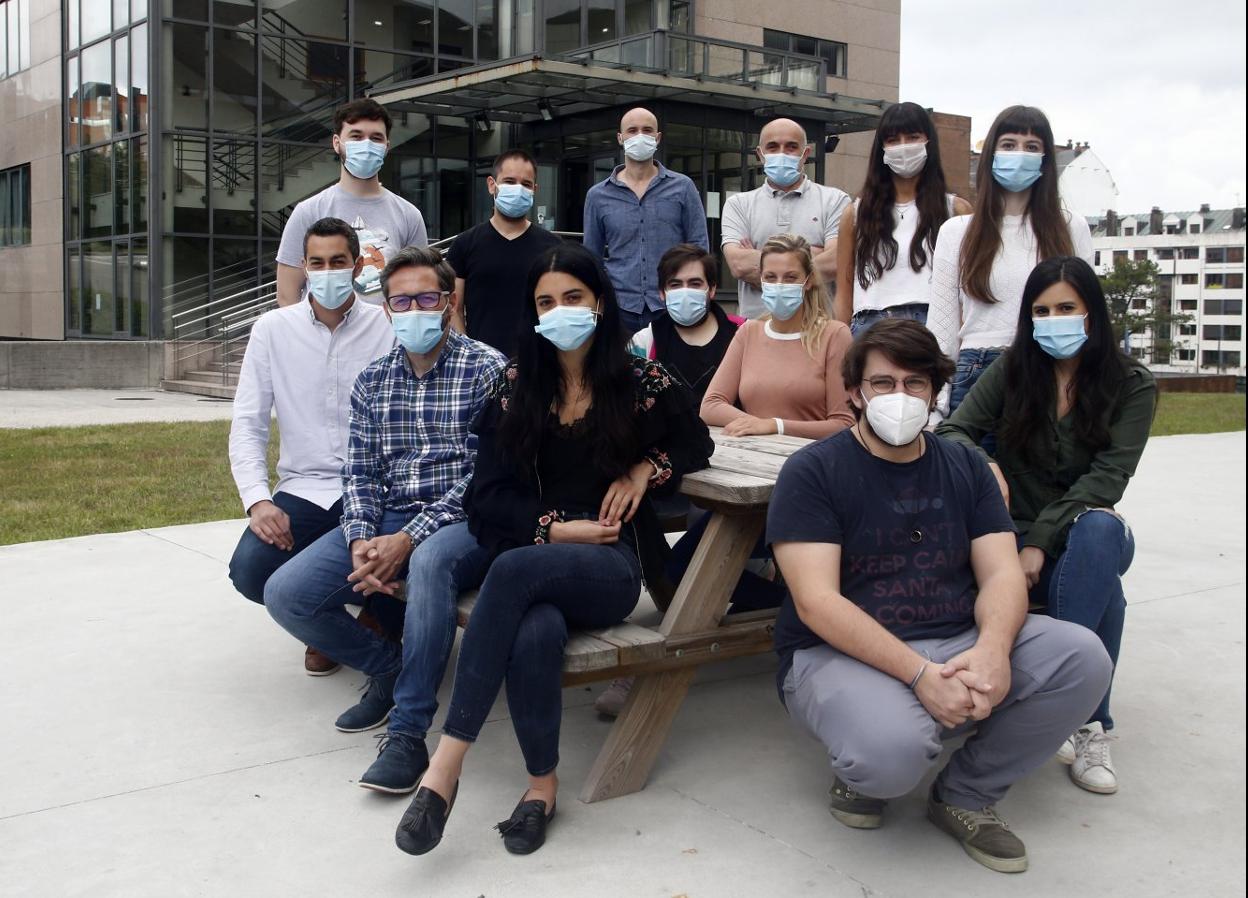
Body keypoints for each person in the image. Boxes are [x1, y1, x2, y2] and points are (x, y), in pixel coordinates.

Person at [393, 243, 712, 857]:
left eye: (572, 298)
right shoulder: (517, 387)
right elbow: (484, 497)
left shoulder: (641, 379)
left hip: (611, 567)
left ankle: (444, 769)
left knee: (511, 570)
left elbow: (697, 442)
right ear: (532, 313)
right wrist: (550, 530)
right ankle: (542, 787)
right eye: (546, 302)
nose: (560, 310)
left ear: (598, 301)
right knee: (534, 629)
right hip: (541, 563)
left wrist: (647, 468)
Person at [769, 318, 1112, 874]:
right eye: (883, 384)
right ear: (855, 391)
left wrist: (995, 649)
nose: (899, 397)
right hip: (836, 652)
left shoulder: (964, 464)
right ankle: (864, 771)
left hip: (958, 633)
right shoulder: (814, 471)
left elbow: (1002, 573)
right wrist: (920, 676)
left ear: (936, 390)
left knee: (1082, 658)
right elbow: (817, 603)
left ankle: (967, 793)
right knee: (889, 756)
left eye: (915, 384)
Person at [263, 247, 506, 780]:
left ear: (447, 302)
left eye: (426, 297)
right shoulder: (373, 381)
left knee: (428, 566)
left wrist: (409, 539)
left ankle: (409, 730)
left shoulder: (488, 369)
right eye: (402, 300)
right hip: (389, 516)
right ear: (388, 308)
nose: (414, 308)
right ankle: (389, 667)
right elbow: (361, 473)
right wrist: (360, 538)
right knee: (286, 594)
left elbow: (487, 474)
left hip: (463, 521)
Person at [938, 257, 1155, 796]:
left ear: (1091, 314)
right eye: (1041, 311)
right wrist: (986, 465)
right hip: (1007, 529)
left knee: (1099, 534)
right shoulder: (1015, 368)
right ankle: (1088, 718)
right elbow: (954, 430)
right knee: (1109, 598)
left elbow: (1108, 478)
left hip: (1084, 527)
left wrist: (1036, 545)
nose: (1053, 320)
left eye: (1066, 308)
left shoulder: (1132, 384)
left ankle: (1069, 713)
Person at [228, 217, 396, 675]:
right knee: (248, 570)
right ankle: (333, 627)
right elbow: (248, 421)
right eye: (316, 262)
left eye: (338, 261)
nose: (327, 271)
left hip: (372, 487)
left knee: (388, 557)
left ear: (358, 264)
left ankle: (374, 619)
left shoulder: (387, 326)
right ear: (303, 266)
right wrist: (257, 501)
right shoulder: (272, 329)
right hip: (303, 488)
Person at [926, 105, 1093, 424]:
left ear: (1045, 160)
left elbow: (1088, 316)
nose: (1020, 154)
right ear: (990, 154)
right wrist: (936, 402)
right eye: (1009, 145)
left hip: (1050, 372)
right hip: (978, 371)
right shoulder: (957, 232)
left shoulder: (1072, 228)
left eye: (1032, 147)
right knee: (976, 473)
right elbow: (942, 329)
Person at [834, 102, 972, 334]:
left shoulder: (956, 210)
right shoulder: (856, 213)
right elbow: (844, 290)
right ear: (882, 148)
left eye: (913, 137)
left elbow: (968, 289)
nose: (903, 146)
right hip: (869, 323)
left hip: (932, 323)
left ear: (929, 142)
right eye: (893, 140)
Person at [275, 99, 428, 308]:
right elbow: (287, 295)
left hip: (383, 338)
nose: (366, 145)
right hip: (322, 336)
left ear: (386, 147)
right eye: (356, 136)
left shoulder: (409, 215)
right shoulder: (308, 212)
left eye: (376, 138)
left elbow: (418, 286)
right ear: (337, 143)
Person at [700, 234, 855, 439]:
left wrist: (776, 426)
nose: (779, 285)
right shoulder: (749, 332)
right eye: (771, 277)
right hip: (752, 455)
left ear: (808, 282)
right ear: (761, 280)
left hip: (812, 459)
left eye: (790, 277)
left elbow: (844, 423)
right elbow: (711, 405)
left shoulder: (834, 335)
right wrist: (755, 424)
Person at [583, 107, 710, 334]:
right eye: (632, 130)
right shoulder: (597, 195)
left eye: (647, 130)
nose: (640, 136)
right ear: (620, 138)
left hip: (671, 305)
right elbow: (591, 257)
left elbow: (699, 247)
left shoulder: (683, 187)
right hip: (620, 307)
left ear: (658, 137)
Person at [722, 118, 851, 319]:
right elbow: (738, 264)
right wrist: (811, 255)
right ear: (760, 154)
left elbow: (837, 262)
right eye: (772, 147)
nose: (782, 153)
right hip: (757, 326)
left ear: (805, 153)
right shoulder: (738, 204)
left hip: (818, 327)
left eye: (791, 147)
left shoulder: (835, 200)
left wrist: (762, 267)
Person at [447, 149, 562, 356]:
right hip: (481, 364)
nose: (518, 189)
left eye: (526, 184)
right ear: (492, 185)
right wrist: (468, 353)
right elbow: (454, 307)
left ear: (535, 189)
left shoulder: (553, 247)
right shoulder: (464, 245)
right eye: (509, 181)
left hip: (539, 362)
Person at [628, 243, 744, 406]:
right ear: (662, 292)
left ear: (711, 289)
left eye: (695, 284)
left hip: (731, 430)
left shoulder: (743, 333)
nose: (685, 292)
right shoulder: (643, 343)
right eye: (675, 285)